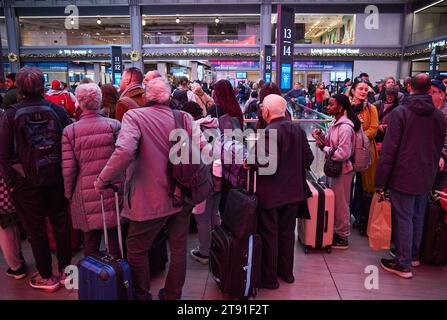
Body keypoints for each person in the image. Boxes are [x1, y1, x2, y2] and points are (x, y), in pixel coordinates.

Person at [94, 77, 198, 300]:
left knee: (137, 247)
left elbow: (124, 152)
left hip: (149, 198)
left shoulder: (134, 116)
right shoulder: (185, 117)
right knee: (178, 249)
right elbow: (202, 150)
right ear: (168, 97)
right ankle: (172, 295)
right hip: (183, 194)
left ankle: (141, 295)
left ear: (145, 97)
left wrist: (102, 179)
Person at [0, 66, 72, 291]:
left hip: (25, 183)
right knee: (61, 224)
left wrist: (13, 183)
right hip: (55, 177)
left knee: (35, 230)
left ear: (18, 87)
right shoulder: (57, 111)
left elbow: (3, 154)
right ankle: (66, 272)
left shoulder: (10, 115)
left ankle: (46, 276)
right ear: (43, 86)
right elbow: (68, 146)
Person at [376, 74, 446, 279]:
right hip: (427, 173)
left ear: (409, 87)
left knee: (403, 217)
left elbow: (390, 150)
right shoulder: (438, 116)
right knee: (417, 215)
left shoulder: (401, 113)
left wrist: (381, 180)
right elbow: (437, 145)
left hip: (403, 174)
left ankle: (402, 262)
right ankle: (413, 255)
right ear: (428, 90)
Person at [252, 94, 314, 289]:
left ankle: (270, 279)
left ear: (267, 111)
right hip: (294, 192)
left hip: (272, 193)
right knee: (287, 234)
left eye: (263, 108)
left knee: (269, 233)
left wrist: (249, 162)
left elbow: (265, 163)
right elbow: (309, 158)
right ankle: (287, 274)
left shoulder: (269, 132)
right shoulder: (297, 130)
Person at [62, 83, 122, 257]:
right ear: (100, 100)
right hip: (112, 187)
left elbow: (68, 169)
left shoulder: (70, 131)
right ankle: (118, 276)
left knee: (90, 237)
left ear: (79, 103)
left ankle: (94, 278)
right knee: (114, 233)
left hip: (84, 190)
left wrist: (68, 193)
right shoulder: (114, 125)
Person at [313, 94, 361, 249]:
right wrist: (321, 137)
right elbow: (330, 142)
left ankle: (343, 237)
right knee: (336, 202)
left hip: (343, 171)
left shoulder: (345, 128)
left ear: (341, 107)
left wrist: (324, 148)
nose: (328, 107)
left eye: (331, 105)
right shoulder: (336, 124)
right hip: (335, 170)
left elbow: (343, 153)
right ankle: (337, 231)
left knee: (341, 204)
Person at [181, 101, 222, 265]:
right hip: (218, 175)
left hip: (203, 178)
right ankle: (219, 246)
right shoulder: (213, 125)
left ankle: (205, 252)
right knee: (215, 213)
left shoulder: (194, 130)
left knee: (202, 216)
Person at [348, 77, 379, 229]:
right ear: (353, 90)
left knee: (363, 184)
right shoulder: (345, 106)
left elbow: (374, 128)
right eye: (360, 89)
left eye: (366, 89)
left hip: (365, 151)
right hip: (347, 150)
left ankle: (360, 215)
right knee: (347, 182)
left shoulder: (371, 108)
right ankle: (345, 213)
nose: (363, 92)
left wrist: (358, 139)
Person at [374, 85, 401, 151]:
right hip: (376, 137)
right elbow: (371, 119)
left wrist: (385, 127)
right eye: (388, 95)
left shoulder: (399, 108)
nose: (390, 97)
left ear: (396, 96)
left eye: (392, 95)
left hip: (389, 138)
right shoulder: (378, 104)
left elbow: (398, 124)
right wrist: (378, 125)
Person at [429, 80, 447, 172]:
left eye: (432, 92)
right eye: (427, 92)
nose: (429, 95)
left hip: (441, 163)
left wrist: (442, 155)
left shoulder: (445, 113)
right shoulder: (430, 110)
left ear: (442, 95)